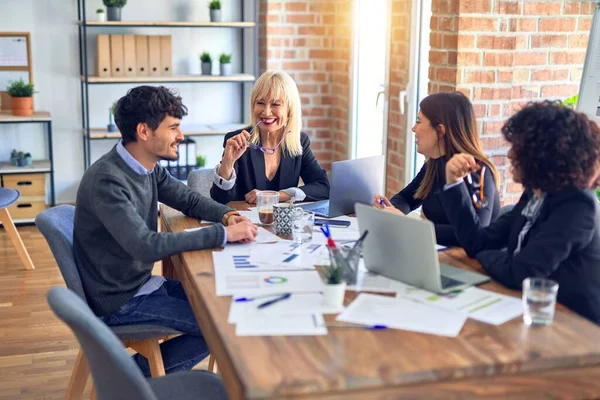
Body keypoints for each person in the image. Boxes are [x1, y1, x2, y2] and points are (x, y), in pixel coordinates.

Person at [73, 86, 258, 376]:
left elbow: (188, 199)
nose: (181, 136)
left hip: (142, 285)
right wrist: (222, 235)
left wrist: (228, 216)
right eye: (173, 128)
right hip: (120, 301)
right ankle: (129, 379)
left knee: (227, 304)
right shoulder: (108, 181)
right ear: (144, 131)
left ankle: (134, 376)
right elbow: (146, 245)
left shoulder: (147, 168)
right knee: (222, 324)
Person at [440, 100, 600, 324]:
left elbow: (521, 272)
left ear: (543, 156)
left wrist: (486, 255)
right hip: (532, 310)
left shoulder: (577, 206)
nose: (511, 155)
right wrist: (454, 182)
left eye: (518, 148)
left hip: (577, 329)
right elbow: (477, 242)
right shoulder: (536, 192)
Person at [373, 91, 500, 247]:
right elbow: (406, 198)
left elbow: (475, 233)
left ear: (440, 131)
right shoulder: (434, 165)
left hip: (467, 264)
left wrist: (410, 226)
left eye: (419, 122)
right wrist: (391, 210)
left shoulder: (477, 171)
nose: (414, 128)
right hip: (439, 255)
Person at [210, 70, 330, 204]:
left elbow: (323, 187)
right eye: (260, 103)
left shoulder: (299, 141)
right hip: (244, 222)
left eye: (276, 104)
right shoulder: (237, 140)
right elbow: (220, 198)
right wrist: (228, 162)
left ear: (290, 110)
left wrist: (278, 195)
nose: (266, 112)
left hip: (283, 223)